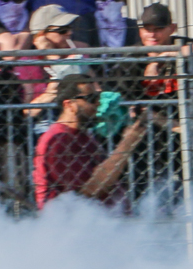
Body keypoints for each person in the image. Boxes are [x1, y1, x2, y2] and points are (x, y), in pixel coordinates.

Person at [34, 72, 147, 208]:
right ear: (70, 105)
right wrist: (128, 143)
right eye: (92, 98)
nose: (98, 104)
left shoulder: (84, 136)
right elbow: (90, 190)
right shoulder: (58, 141)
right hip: (76, 224)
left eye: (99, 97)